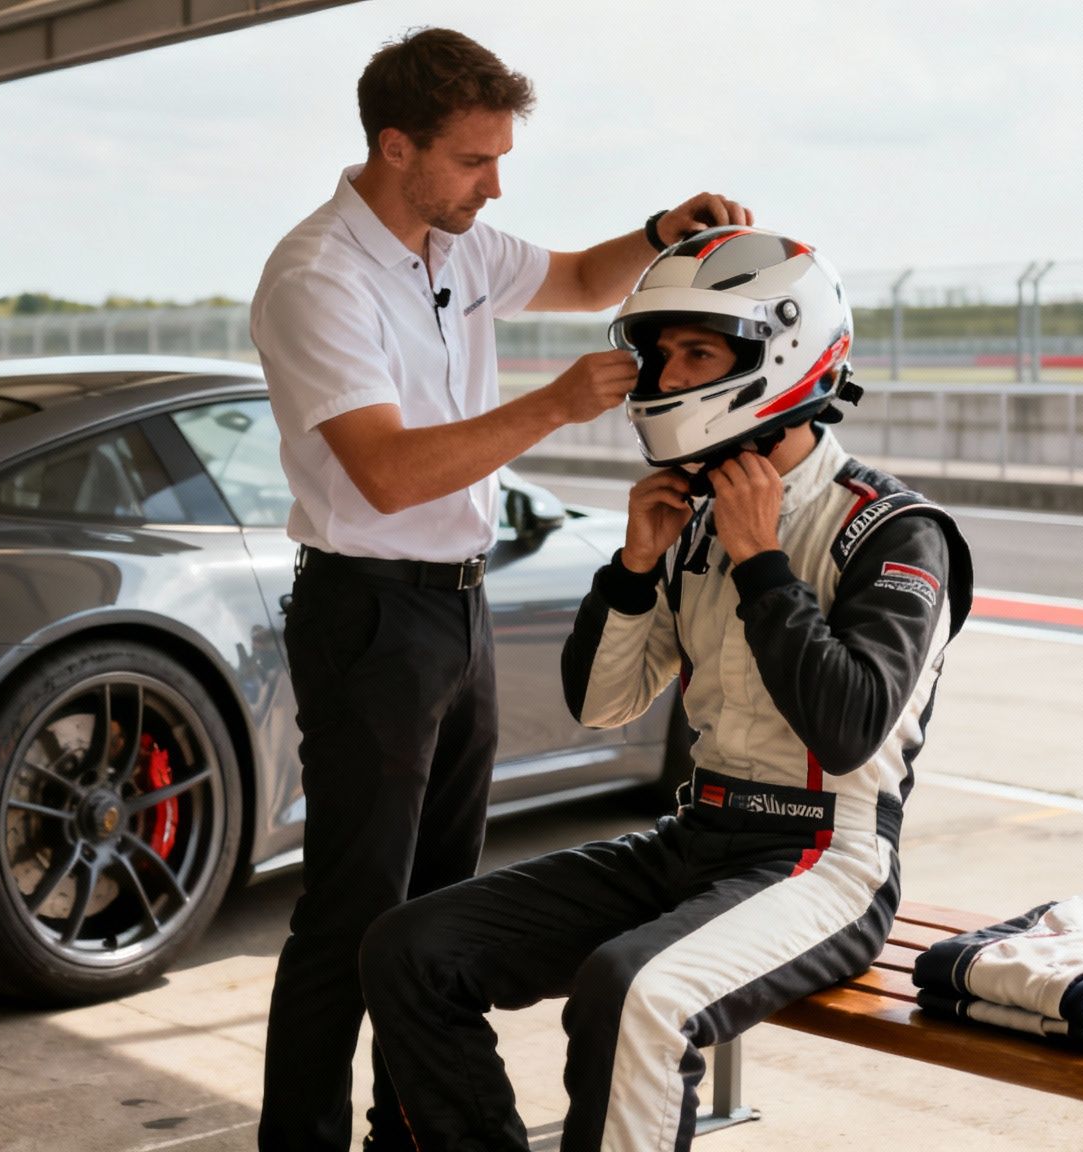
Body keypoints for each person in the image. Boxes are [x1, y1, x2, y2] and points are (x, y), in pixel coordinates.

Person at [359, 226, 976, 1152]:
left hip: (827, 862)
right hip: (699, 835)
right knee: (409, 949)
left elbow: (846, 729)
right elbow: (600, 705)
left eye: (698, 353)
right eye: (660, 354)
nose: (666, 378)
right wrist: (635, 567)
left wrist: (763, 561)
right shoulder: (686, 518)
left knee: (632, 991)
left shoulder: (893, 531)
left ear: (786, 353)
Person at [251, 27, 754, 1152]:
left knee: (435, 915)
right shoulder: (316, 275)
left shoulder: (454, 245)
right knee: (350, 917)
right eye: (476, 160)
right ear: (395, 146)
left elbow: (578, 278)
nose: (495, 183)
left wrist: (662, 233)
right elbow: (382, 472)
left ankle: (406, 1134)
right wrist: (552, 406)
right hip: (369, 610)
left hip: (456, 604)